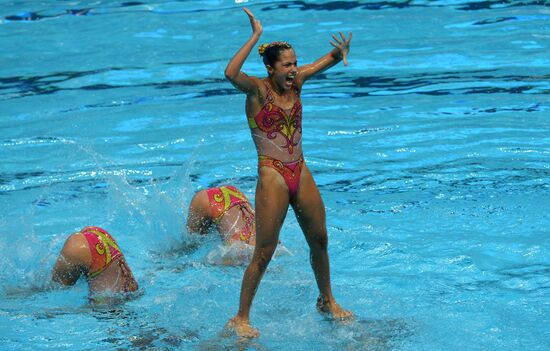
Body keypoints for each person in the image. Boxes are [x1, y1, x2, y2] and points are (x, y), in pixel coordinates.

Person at [223, 7, 353, 337]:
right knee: (264, 251)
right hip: (273, 174)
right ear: (270, 69)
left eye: (295, 63)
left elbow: (324, 63)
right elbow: (229, 73)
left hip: (300, 169)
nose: (294, 70)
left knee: (320, 239)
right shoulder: (257, 90)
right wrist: (255, 36)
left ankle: (327, 300)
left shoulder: (297, 84)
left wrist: (338, 54)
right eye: (287, 65)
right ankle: (241, 317)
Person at [51, 226, 138, 300]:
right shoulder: (113, 299)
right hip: (96, 244)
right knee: (56, 289)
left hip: (98, 239)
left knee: (55, 287)